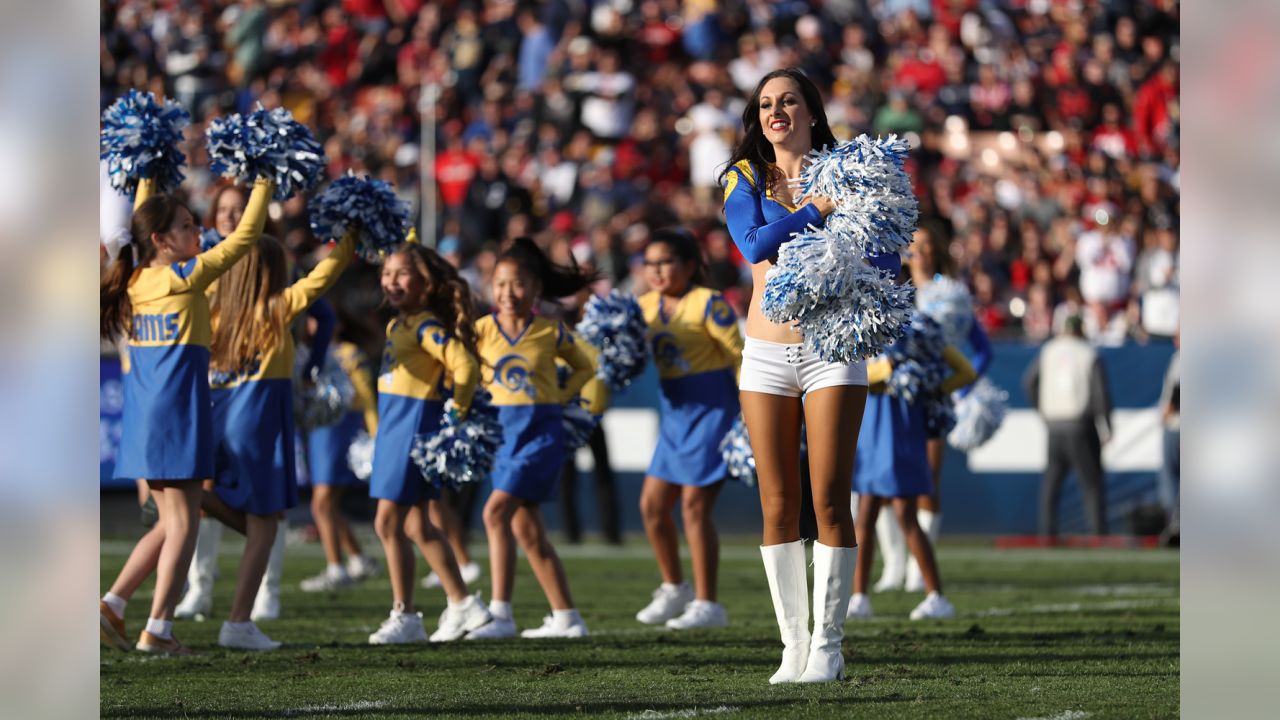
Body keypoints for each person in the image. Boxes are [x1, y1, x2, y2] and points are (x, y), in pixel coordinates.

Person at [722, 68, 897, 684]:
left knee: (828, 496)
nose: (776, 111)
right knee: (777, 502)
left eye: (788, 100)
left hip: (833, 348)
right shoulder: (742, 176)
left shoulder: (852, 168)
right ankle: (792, 646)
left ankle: (829, 643)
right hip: (766, 353)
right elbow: (753, 244)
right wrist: (820, 209)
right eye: (766, 103)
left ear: (812, 111)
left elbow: (887, 254)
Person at [99, 176, 274, 655]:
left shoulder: (132, 278)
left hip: (144, 416)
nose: (198, 232)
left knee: (169, 520)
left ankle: (113, 603)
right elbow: (245, 238)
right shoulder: (183, 276)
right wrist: (264, 180)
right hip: (179, 411)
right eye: (186, 225)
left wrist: (145, 177)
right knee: (183, 525)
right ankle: (158, 629)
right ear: (160, 240)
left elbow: (141, 221)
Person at [197, 229, 354, 649]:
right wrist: (353, 236)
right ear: (269, 275)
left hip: (220, 418)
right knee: (266, 522)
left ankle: (187, 499)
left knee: (234, 510)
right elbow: (323, 278)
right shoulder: (275, 310)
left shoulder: (214, 314)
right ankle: (239, 623)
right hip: (260, 421)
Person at [465, 237, 595, 639]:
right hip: (502, 436)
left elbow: (586, 365)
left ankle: (501, 615)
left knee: (494, 513)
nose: (507, 293)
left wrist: (560, 393)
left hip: (539, 433)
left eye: (518, 283)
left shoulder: (548, 330)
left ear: (536, 288)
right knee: (527, 530)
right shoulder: (481, 329)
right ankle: (567, 617)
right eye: (500, 283)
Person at [366, 242, 493, 644]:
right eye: (387, 273)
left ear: (426, 283)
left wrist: (458, 409)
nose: (392, 281)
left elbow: (465, 364)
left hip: (412, 428)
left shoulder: (424, 326)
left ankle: (405, 615)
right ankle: (463, 604)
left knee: (387, 521)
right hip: (394, 427)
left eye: (402, 273)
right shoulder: (398, 325)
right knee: (418, 524)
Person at [632, 229, 743, 630]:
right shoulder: (641, 307)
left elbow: (738, 357)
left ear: (690, 266)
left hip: (713, 411)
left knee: (695, 507)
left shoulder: (707, 303)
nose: (658, 271)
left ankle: (708, 603)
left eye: (667, 262)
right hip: (675, 415)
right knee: (652, 506)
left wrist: (749, 412)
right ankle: (674, 586)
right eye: (650, 263)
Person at [875, 225, 993, 593]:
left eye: (926, 245)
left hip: (932, 396)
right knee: (880, 483)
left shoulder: (951, 296)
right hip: (891, 397)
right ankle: (893, 565)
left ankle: (916, 566)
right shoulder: (890, 292)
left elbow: (982, 349)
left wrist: (962, 389)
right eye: (913, 244)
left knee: (925, 481)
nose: (919, 251)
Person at [848, 331, 975, 620]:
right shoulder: (867, 323)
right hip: (876, 427)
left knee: (903, 514)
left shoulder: (917, 331)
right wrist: (888, 369)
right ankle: (859, 597)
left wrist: (929, 388)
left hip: (898, 431)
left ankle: (935, 596)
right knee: (867, 512)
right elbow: (963, 372)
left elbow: (965, 371)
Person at [299, 325, 382, 591]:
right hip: (319, 429)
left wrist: (375, 432)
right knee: (327, 505)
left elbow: (366, 395)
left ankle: (337, 569)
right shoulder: (305, 352)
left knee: (321, 504)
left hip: (341, 426)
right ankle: (357, 559)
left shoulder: (348, 352)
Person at [1023, 315, 1113, 538]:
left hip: (1054, 425)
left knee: (1051, 483)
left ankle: (1047, 532)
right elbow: (1100, 394)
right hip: (1080, 425)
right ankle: (1096, 533)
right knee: (1091, 482)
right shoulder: (1088, 353)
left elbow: (1028, 382)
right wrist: (1107, 425)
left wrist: (1043, 410)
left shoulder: (1049, 350)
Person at [1157, 333, 1179, 545]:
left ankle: (1176, 525)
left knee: (1171, 477)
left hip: (1177, 424)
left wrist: (1169, 410)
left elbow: (1178, 387)